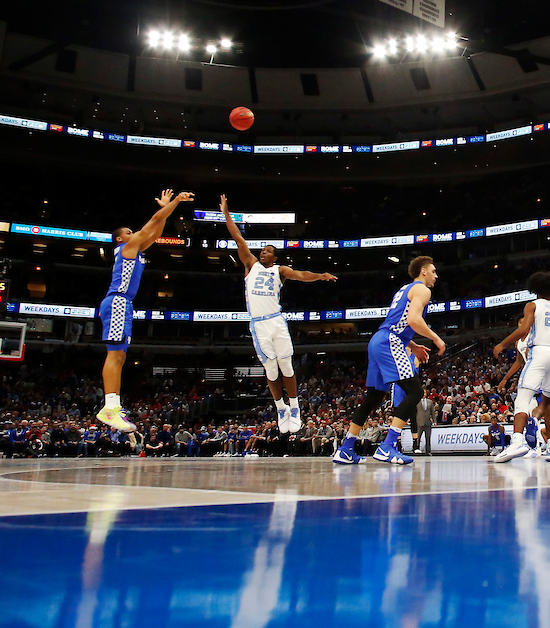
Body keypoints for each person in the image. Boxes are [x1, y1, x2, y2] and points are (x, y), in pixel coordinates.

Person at [222, 194, 337, 434]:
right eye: (262, 250)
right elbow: (238, 238)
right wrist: (226, 214)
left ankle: (294, 407)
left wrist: (320, 276)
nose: (263, 252)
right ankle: (280, 408)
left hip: (276, 320)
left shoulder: (279, 271)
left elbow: (302, 275)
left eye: (268, 251)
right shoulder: (250, 266)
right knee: (271, 369)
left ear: (275, 258)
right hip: (258, 325)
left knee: (286, 365)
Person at [97, 188, 194, 432]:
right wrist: (175, 202)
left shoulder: (137, 250)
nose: (134, 233)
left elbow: (157, 230)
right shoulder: (126, 248)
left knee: (120, 355)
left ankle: (112, 406)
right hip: (117, 301)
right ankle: (110, 408)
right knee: (115, 355)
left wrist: (165, 210)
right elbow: (154, 221)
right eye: (129, 232)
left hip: (123, 303)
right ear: (120, 239)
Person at [333, 256, 445, 465]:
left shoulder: (404, 289)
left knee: (374, 397)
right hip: (390, 342)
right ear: (423, 272)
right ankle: (387, 446)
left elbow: (398, 322)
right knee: (415, 392)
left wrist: (412, 345)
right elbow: (413, 320)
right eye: (433, 271)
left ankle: (346, 449)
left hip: (379, 340)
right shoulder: (422, 290)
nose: (436, 276)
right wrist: (436, 338)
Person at [492, 272, 550, 462]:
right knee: (549, 404)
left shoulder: (532, 305)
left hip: (539, 352)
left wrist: (502, 344)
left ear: (534, 288)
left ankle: (517, 442)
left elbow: (524, 330)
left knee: (523, 397)